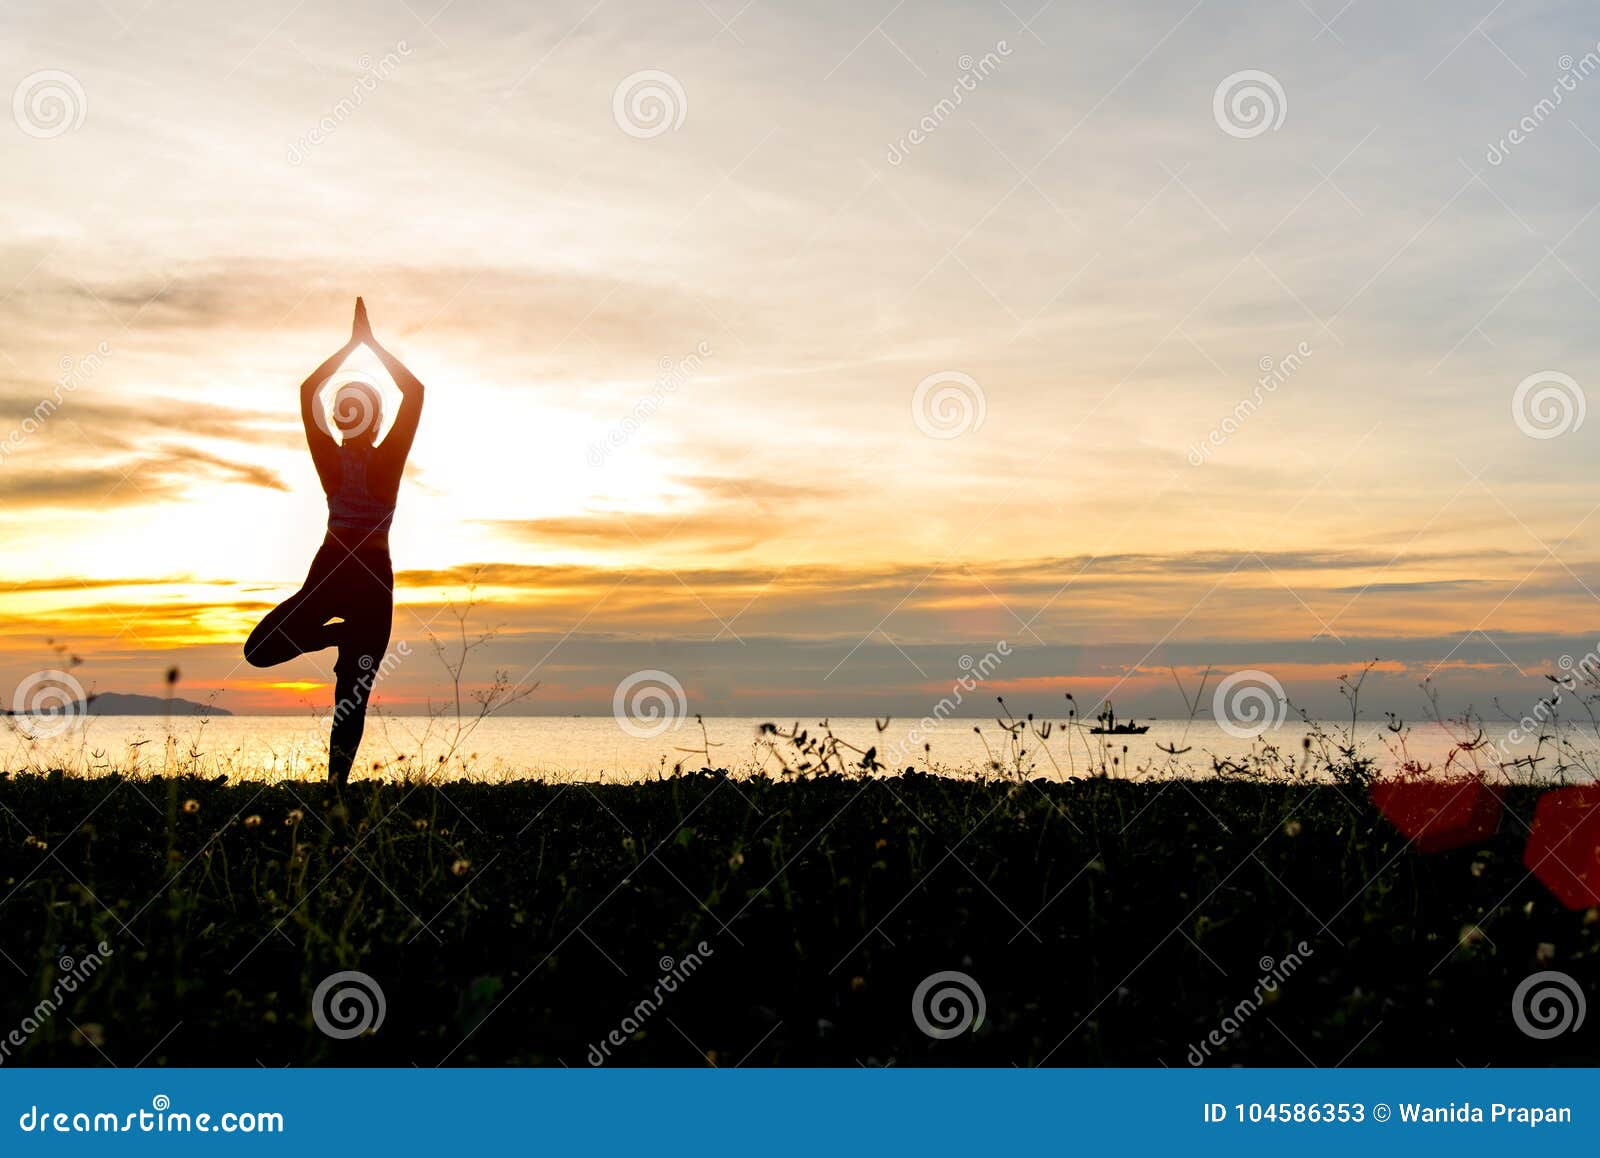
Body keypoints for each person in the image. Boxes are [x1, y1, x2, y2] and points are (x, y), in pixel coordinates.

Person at [244, 298, 424, 783]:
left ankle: (334, 789)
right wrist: (371, 345)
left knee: (264, 653)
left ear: (342, 420)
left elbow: (308, 392)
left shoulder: (329, 459)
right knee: (353, 692)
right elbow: (416, 392)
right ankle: (335, 786)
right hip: (369, 578)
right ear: (378, 419)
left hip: (332, 571)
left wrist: (350, 347)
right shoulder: (387, 461)